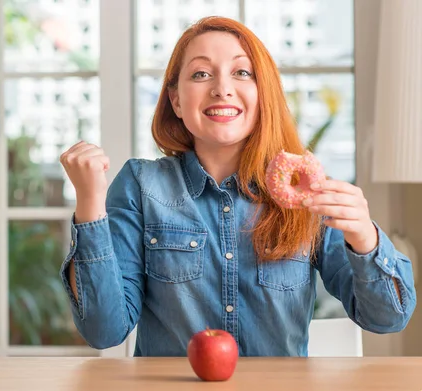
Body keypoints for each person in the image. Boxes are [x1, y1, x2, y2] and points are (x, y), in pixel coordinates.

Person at [58, 16, 416, 357]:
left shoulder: (307, 194)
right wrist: (90, 202)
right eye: (201, 74)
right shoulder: (141, 185)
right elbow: (104, 330)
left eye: (242, 72)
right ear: (177, 101)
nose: (222, 88)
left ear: (264, 95)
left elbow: (387, 318)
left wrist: (365, 238)